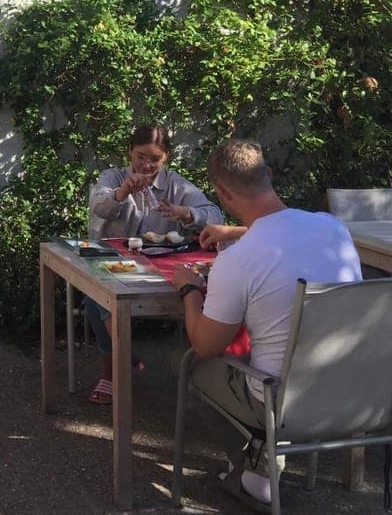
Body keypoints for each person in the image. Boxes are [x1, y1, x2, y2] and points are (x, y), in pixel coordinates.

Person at [171, 138, 361, 510]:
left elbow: (207, 345)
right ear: (268, 174)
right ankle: (260, 469)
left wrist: (189, 290)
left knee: (187, 364)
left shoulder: (239, 260)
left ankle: (254, 469)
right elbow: (284, 230)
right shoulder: (333, 229)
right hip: (352, 389)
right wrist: (236, 231)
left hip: (282, 401)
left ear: (223, 193)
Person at [85, 124, 223, 404]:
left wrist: (187, 213)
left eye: (154, 159)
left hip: (162, 265)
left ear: (166, 158)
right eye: (140, 157)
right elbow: (98, 206)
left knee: (96, 300)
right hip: (117, 263)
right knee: (97, 295)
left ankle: (120, 364)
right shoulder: (113, 177)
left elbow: (215, 215)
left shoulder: (176, 184)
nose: (146, 165)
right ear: (129, 153)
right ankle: (120, 364)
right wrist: (123, 191)